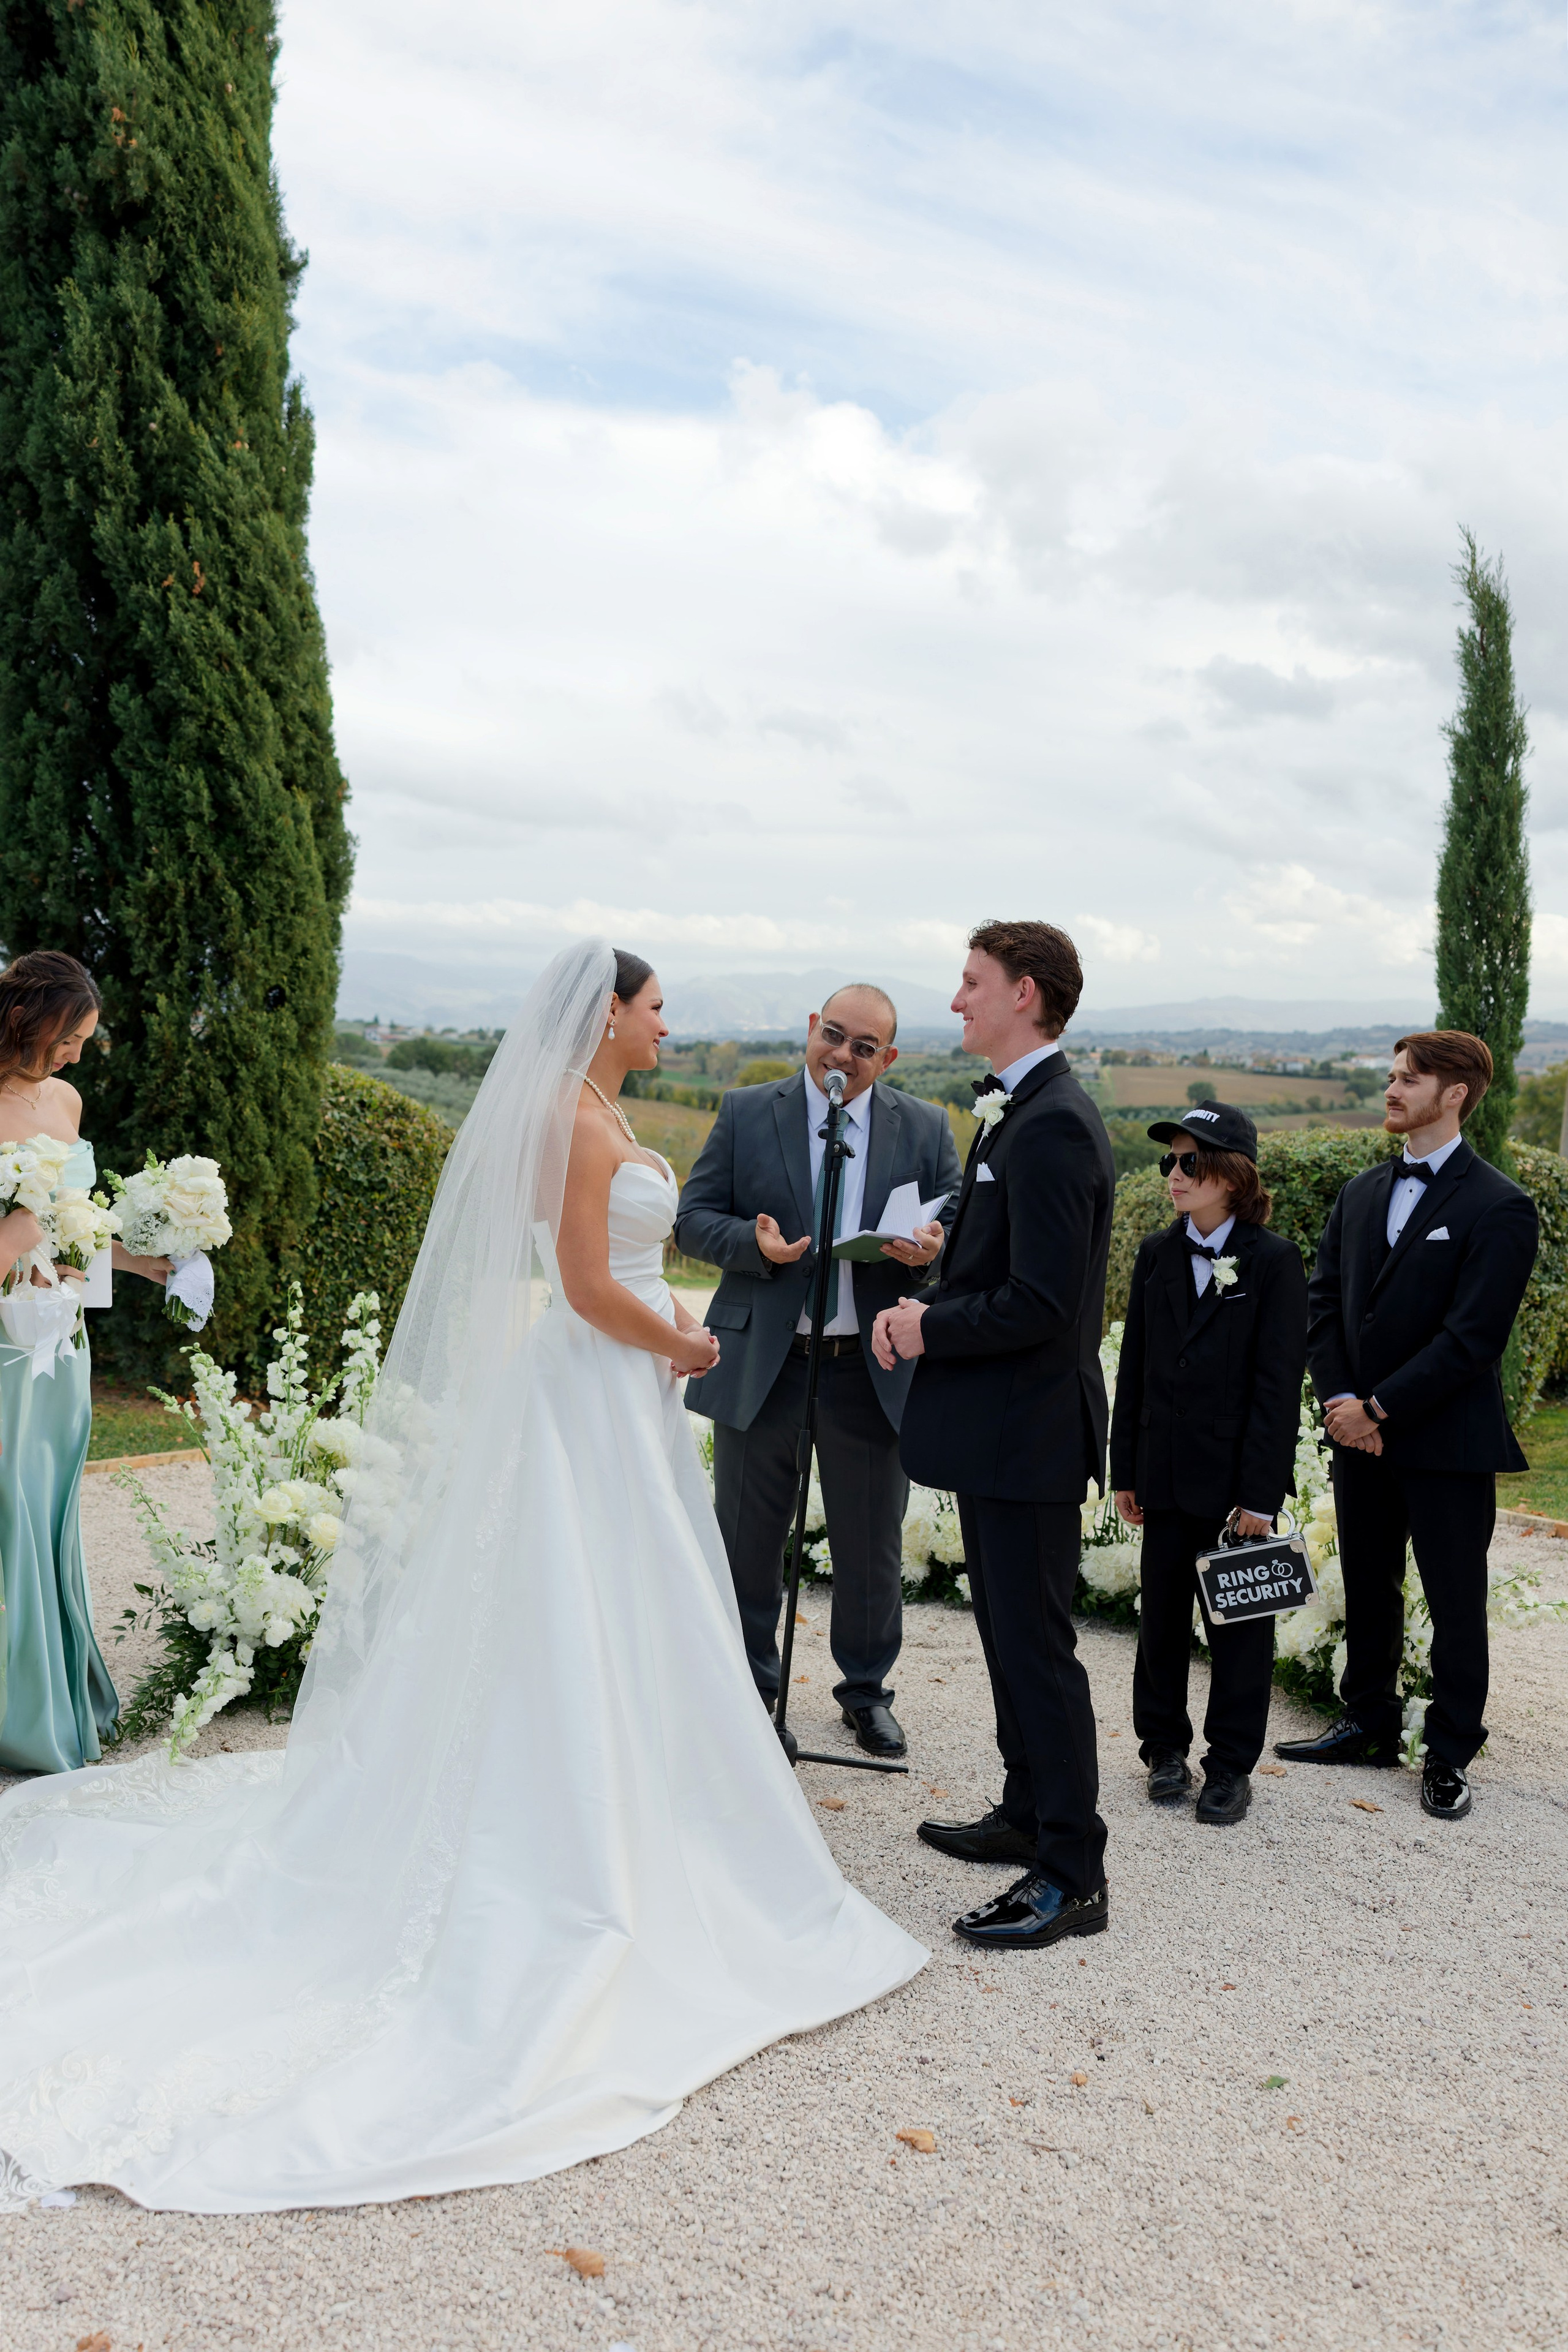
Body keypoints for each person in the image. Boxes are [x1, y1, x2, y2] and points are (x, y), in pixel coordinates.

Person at [0, 941, 925, 2212]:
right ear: (607, 1014)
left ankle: (651, 1802)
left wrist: (668, 1342)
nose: (668, 1027)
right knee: (575, 1600)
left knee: (635, 1609)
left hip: (625, 1397)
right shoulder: (567, 1114)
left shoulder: (600, 1103)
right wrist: (686, 1339)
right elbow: (591, 1285)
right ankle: (577, 1830)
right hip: (604, 1380)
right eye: (657, 1009)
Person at [873, 921, 1115, 1951]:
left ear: (1024, 992)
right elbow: (1005, 1269)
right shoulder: (1014, 1116)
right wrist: (939, 1269)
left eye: (971, 982)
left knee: (1037, 1648)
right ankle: (1025, 1811)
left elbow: (1047, 1306)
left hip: (1031, 1434)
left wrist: (929, 1321)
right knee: (1006, 1638)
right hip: (1001, 1432)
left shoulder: (1054, 1122)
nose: (957, 998)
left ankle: (1072, 1869)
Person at [674, 986, 962, 1758]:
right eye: (833, 1036)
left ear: (888, 1058)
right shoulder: (745, 1111)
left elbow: (960, 1218)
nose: (843, 1055)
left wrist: (934, 1247)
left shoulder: (925, 1125)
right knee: (747, 1537)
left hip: (866, 1366)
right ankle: (748, 1687)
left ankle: (865, 1695)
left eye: (864, 1047)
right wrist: (753, 1244)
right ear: (810, 1029)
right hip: (764, 1360)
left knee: (870, 1544)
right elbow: (692, 1218)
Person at [1277, 1031, 1539, 1823]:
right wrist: (1341, 1403)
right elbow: (1323, 1304)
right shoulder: (1359, 1193)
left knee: (1454, 1597)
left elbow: (1473, 1337)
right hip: (1357, 1431)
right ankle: (1368, 1722)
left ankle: (1452, 1751)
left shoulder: (1500, 1206)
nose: (1392, 1091)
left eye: (1409, 1080)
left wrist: (1380, 1408)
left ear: (1455, 1093)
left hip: (1445, 1440)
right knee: (1369, 1581)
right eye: (1391, 1077)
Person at [1109, 1103, 1308, 1826]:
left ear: (1231, 1174)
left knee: (1239, 1631)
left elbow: (1276, 1386)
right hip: (1161, 1475)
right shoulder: (1158, 1254)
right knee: (1159, 1620)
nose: (1174, 1174)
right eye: (1170, 1161)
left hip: (1233, 1490)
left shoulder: (1275, 1262)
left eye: (1190, 1162)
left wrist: (1260, 1492)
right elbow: (1133, 1367)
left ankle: (1229, 1767)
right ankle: (1162, 1748)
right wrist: (1123, 1467)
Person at [0, 951, 172, 1776]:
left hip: (56, 1338)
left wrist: (142, 1265)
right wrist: (22, 1228)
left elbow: (71, 1235)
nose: (76, 1056)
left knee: (46, 1511)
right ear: (31, 1022)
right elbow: (26, 1230)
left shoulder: (65, 1100)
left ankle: (51, 1697)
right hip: (1, 1348)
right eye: (72, 1037)